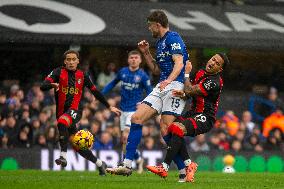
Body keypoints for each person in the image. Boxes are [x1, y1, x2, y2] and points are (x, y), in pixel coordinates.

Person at [106, 10, 189, 181]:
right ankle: (127, 165)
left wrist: (169, 81)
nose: (149, 29)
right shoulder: (159, 42)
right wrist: (146, 53)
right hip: (162, 85)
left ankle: (184, 169)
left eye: (150, 25)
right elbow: (157, 70)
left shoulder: (174, 38)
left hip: (175, 86)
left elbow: (179, 63)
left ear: (157, 24)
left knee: (166, 128)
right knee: (136, 118)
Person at [146, 53, 229, 182]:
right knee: (170, 129)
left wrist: (186, 74)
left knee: (177, 128)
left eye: (217, 63)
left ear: (220, 69)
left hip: (205, 117)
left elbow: (190, 89)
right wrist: (184, 93)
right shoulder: (201, 73)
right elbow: (190, 92)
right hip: (192, 112)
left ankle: (164, 167)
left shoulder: (214, 82)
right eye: (213, 59)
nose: (212, 63)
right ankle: (189, 164)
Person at [40, 50, 121, 176]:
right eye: (68, 59)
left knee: (62, 121)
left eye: (74, 59)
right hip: (61, 113)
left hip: (75, 111)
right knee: (77, 144)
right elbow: (42, 86)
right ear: (64, 61)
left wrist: (109, 106)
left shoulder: (83, 75)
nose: (71, 62)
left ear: (78, 61)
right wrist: (52, 85)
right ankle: (100, 164)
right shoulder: (57, 72)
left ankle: (63, 156)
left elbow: (95, 92)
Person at [102, 50, 152, 173]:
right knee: (125, 141)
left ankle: (124, 165)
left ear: (140, 60)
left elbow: (151, 92)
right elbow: (112, 83)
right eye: (131, 57)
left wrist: (144, 102)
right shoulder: (122, 72)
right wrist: (99, 95)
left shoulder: (143, 76)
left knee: (126, 136)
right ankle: (138, 159)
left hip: (134, 112)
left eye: (136, 58)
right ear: (128, 59)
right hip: (122, 110)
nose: (134, 59)